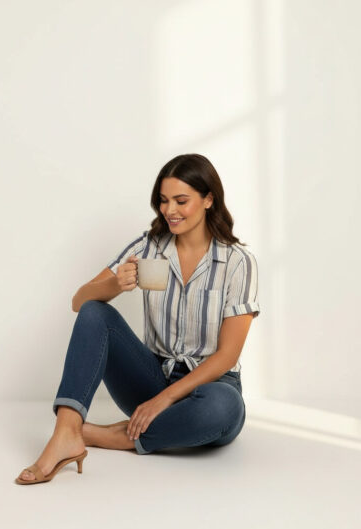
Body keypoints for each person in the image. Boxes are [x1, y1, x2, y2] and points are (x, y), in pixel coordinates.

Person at [15, 153, 260, 484]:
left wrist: (164, 400)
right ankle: (66, 432)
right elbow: (79, 302)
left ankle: (110, 436)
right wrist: (115, 285)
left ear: (208, 199)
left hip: (210, 387)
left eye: (181, 201)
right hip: (152, 378)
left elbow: (227, 356)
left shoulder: (238, 263)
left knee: (224, 408)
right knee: (95, 312)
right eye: (163, 200)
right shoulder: (149, 247)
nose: (169, 210)